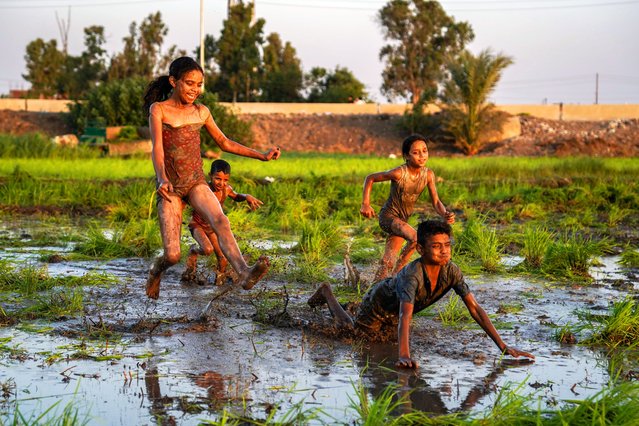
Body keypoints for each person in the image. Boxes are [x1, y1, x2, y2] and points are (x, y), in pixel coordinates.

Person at [307, 220, 535, 369]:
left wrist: (503, 347)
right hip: (378, 303)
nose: (444, 250)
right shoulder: (413, 275)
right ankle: (328, 293)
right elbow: (406, 315)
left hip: (394, 307)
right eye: (436, 246)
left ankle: (342, 302)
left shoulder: (452, 271)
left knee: (389, 335)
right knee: (356, 334)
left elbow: (474, 309)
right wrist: (404, 355)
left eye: (447, 245)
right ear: (420, 249)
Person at [142, 56, 280, 300]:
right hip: (170, 187)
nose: (195, 89)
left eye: (199, 84)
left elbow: (224, 142)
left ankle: (244, 272)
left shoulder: (201, 112)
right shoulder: (159, 110)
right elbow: (157, 149)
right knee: (173, 255)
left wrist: (262, 156)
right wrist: (162, 178)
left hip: (195, 182)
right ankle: (156, 270)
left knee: (220, 219)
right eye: (189, 83)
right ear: (174, 82)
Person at [360, 134, 455, 281]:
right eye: (416, 153)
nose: (422, 156)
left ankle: (375, 287)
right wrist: (365, 204)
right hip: (388, 217)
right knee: (416, 238)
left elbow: (436, 202)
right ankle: (397, 277)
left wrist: (445, 213)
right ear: (406, 156)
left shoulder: (428, 175)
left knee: (388, 262)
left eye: (425, 151)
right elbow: (370, 178)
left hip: (402, 220)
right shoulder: (399, 173)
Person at [182, 159, 263, 286]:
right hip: (198, 225)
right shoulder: (204, 189)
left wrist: (246, 196)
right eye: (217, 178)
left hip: (213, 227)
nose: (221, 183)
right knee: (207, 249)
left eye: (225, 180)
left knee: (223, 257)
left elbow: (236, 196)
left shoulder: (226, 189)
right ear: (210, 176)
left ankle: (219, 283)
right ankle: (194, 251)